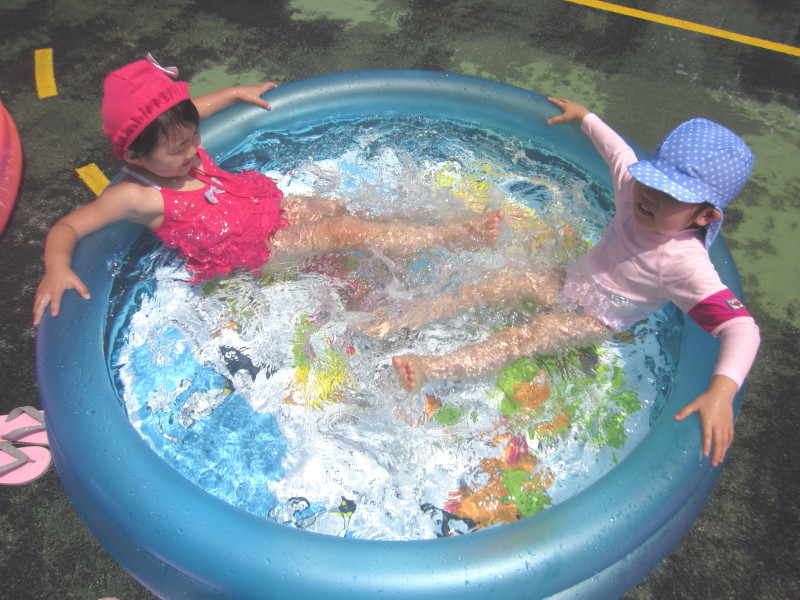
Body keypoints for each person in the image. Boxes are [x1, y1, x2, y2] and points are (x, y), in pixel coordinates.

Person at [368, 98, 760, 467]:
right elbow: (620, 153)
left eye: (669, 194)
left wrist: (722, 392)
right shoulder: (633, 193)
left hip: (596, 317)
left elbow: (742, 329)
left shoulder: (685, 265)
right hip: (567, 278)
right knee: (491, 286)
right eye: (651, 181)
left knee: (523, 338)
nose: (651, 197)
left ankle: (431, 368)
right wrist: (586, 117)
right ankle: (406, 317)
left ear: (705, 216)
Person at [32, 55, 503, 326]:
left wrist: (234, 93)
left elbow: (193, 109)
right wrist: (56, 268)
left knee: (338, 209)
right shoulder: (134, 196)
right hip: (249, 249)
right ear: (135, 157)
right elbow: (67, 227)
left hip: (259, 206)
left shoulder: (178, 140)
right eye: (179, 149)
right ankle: (454, 235)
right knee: (340, 232)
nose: (194, 151)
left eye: (194, 138)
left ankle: (392, 242)